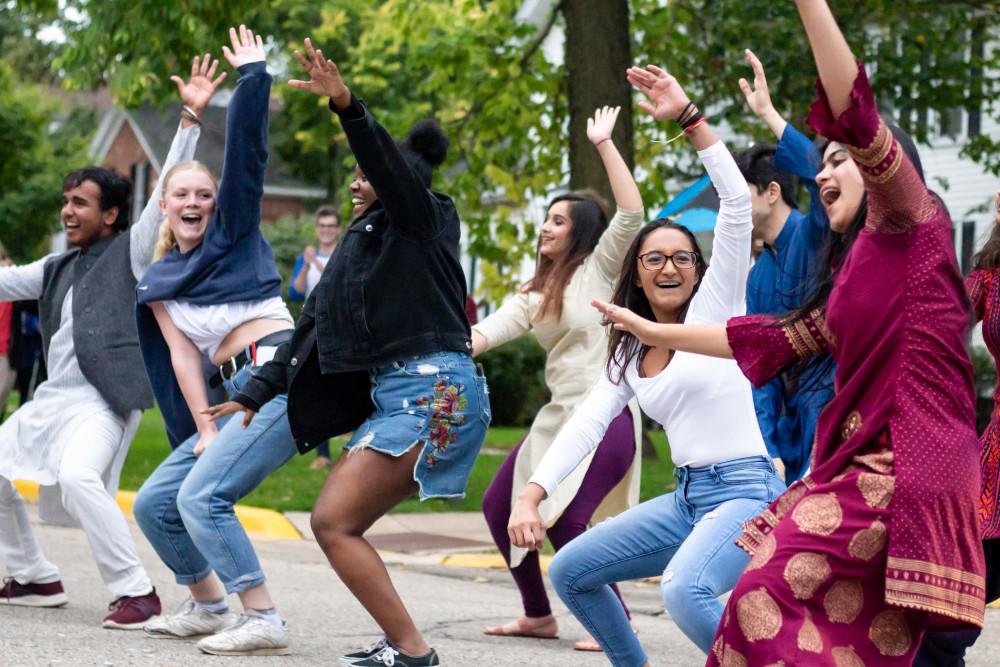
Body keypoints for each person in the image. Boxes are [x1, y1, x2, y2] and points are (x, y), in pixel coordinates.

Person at [596, 2, 986, 663]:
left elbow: (852, 105)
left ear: (888, 167)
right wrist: (645, 327)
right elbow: (761, 338)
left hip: (905, 475)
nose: (824, 174)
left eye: (839, 160)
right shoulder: (851, 271)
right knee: (898, 646)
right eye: (821, 163)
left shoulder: (913, 222)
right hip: (865, 473)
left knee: (759, 596)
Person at [206, 38, 490, 667]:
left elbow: (390, 171)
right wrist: (252, 393)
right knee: (336, 522)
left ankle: (412, 651)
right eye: (356, 175)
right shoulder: (359, 250)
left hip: (434, 391)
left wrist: (347, 106)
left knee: (332, 522)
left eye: (369, 174)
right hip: (409, 395)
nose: (359, 182)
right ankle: (405, 646)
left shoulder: (427, 219)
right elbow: (309, 332)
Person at [508, 65, 785, 666]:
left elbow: (736, 203)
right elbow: (586, 424)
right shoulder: (630, 344)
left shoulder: (719, 306)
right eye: (654, 258)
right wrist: (531, 494)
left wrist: (689, 119)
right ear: (636, 271)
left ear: (698, 267)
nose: (668, 268)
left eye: (682, 258)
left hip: (747, 491)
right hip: (687, 499)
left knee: (686, 590)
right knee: (575, 570)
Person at [0, 53, 221, 629]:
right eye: (66, 201)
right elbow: (4, 280)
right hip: (52, 400)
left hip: (102, 400)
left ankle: (136, 591)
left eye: (80, 203)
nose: (68, 211)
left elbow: (160, 198)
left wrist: (189, 122)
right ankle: (32, 574)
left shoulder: (130, 249)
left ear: (112, 214)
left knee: (77, 478)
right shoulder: (56, 266)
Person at [130, 27, 299, 657]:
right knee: (155, 504)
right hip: (231, 398)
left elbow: (248, 157)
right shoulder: (160, 279)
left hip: (278, 378)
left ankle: (263, 618)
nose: (195, 200)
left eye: (205, 193)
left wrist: (254, 75)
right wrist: (202, 429)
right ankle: (207, 605)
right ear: (166, 205)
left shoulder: (233, 234)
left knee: (204, 496)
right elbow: (181, 357)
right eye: (183, 194)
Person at [474, 106, 643, 651]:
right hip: (557, 419)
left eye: (558, 220)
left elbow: (632, 212)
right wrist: (446, 344)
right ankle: (538, 615)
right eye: (545, 219)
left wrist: (604, 144)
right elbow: (487, 331)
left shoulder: (601, 269)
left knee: (570, 522)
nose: (545, 227)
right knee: (500, 507)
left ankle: (619, 624)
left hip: (607, 416)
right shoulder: (536, 294)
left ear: (581, 233)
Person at [737, 49, 834, 483]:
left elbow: (819, 173)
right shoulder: (757, 275)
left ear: (771, 192)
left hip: (833, 405)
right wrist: (768, 448)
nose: (730, 207)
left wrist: (770, 115)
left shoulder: (815, 234)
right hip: (789, 427)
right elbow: (760, 368)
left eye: (740, 196)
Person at [288, 205, 341, 469]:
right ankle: (323, 454)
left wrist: (319, 263)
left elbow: (337, 283)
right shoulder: (306, 257)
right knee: (318, 388)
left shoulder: (344, 255)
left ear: (338, 229)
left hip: (341, 327)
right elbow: (296, 293)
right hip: (314, 329)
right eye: (322, 226)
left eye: (331, 226)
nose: (327, 231)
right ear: (317, 229)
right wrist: (307, 264)